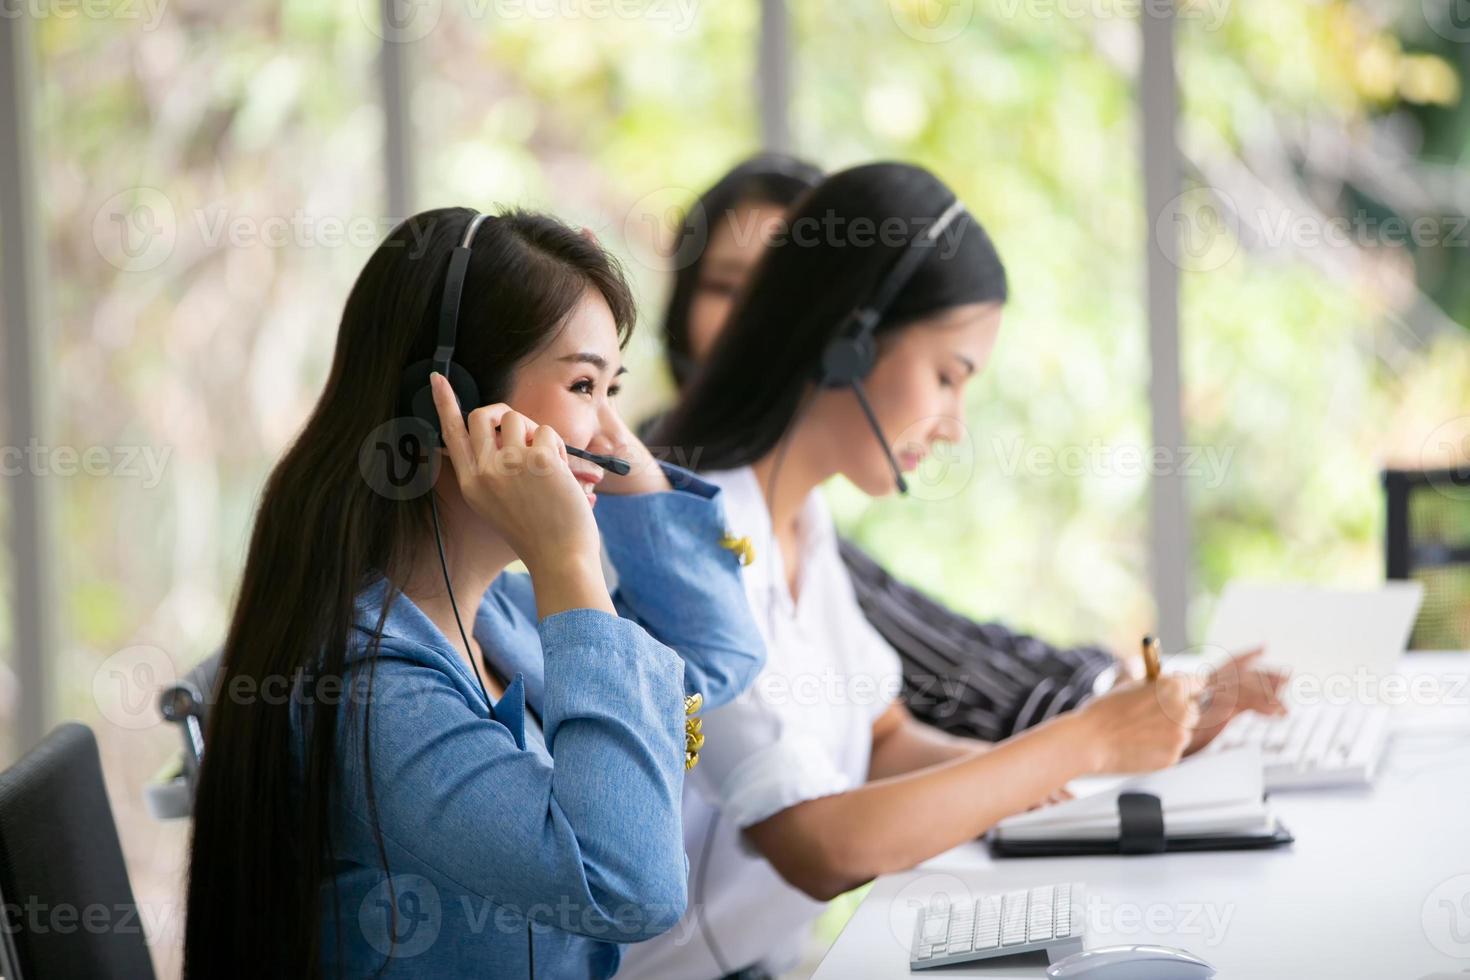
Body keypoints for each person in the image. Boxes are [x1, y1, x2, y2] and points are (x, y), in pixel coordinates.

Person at [618, 163, 1283, 980]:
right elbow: (816, 846)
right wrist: (1086, 741)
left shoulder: (801, 519)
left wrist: (1081, 764)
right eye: (946, 377)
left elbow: (884, 739)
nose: (954, 425)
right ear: (846, 344)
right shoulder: (685, 539)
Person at [184, 207, 765, 979]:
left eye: (614, 388)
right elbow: (627, 886)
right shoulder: (371, 691)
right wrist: (566, 558)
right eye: (585, 384)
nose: (608, 430)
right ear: (445, 405)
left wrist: (627, 471)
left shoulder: (496, 614)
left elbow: (718, 654)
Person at [654, 153, 1278, 742]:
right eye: (731, 287)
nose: (765, 316)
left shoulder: (800, 515)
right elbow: (809, 825)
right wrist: (1098, 728)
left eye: (785, 283)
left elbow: (924, 671)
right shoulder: (679, 502)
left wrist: (1121, 701)